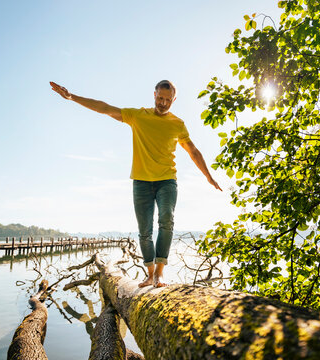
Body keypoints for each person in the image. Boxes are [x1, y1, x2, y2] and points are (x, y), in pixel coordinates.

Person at [50, 80, 221, 287]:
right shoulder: (138, 116)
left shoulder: (177, 124)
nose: (163, 103)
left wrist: (208, 176)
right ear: (154, 94)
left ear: (174, 100)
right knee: (145, 231)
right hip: (141, 182)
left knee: (166, 220)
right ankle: (150, 274)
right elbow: (105, 108)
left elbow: (193, 151)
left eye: (168, 100)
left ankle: (160, 273)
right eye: (160, 98)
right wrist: (72, 97)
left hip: (167, 180)